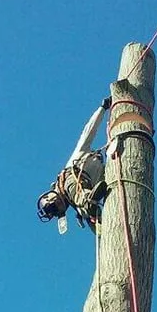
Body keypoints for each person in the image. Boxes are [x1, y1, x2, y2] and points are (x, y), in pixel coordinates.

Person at [36, 96, 112, 233]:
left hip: (81, 182)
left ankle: (89, 204)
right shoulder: (74, 203)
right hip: (89, 192)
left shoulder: (70, 171)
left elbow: (88, 133)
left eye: (53, 205)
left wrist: (102, 109)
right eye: (55, 209)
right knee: (83, 210)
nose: (57, 206)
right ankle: (97, 220)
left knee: (76, 192)